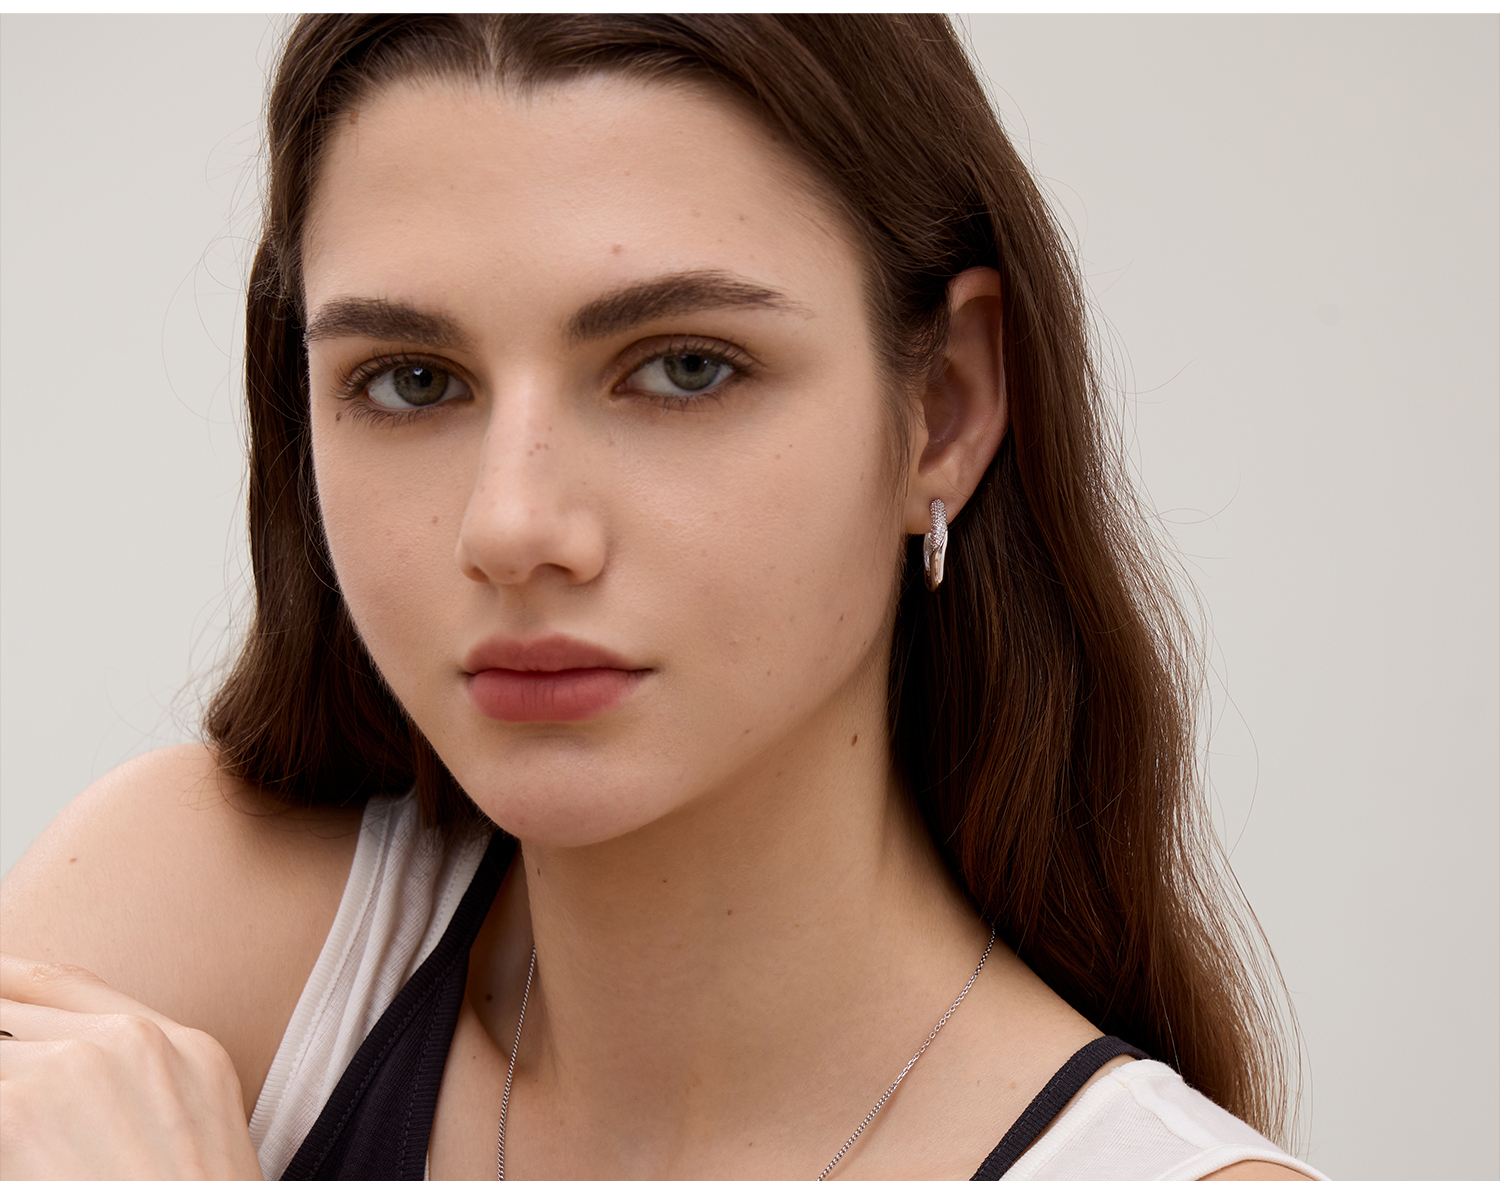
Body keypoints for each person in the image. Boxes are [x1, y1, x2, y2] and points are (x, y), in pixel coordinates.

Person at [0, 15, 1330, 1180]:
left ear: (944, 407)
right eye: (413, 380)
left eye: (684, 367)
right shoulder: (190, 930)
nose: (512, 527)